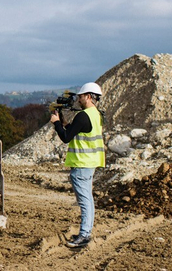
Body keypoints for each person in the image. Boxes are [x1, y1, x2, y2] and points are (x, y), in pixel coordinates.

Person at [50, 82, 105, 248]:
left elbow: (66, 137)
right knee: (88, 199)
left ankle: (84, 235)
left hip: (82, 164)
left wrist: (56, 123)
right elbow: (76, 130)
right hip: (90, 163)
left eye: (81, 96)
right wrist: (64, 122)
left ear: (88, 96)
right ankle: (86, 232)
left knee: (84, 201)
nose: (78, 99)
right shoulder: (96, 114)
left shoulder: (83, 116)